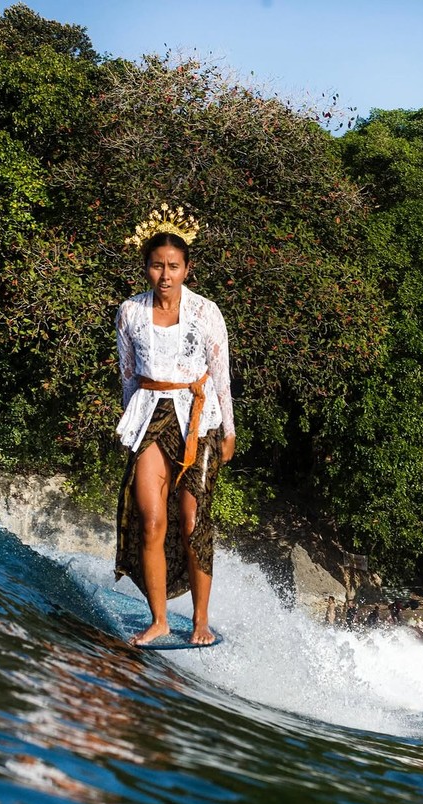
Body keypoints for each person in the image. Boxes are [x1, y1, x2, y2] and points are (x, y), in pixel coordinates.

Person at [114, 204, 235, 646]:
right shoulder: (129, 312)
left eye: (173, 266)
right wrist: (131, 427)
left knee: (193, 519)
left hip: (198, 418)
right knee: (150, 521)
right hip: (150, 415)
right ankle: (160, 619)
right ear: (146, 267)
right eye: (156, 265)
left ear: (187, 268)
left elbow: (221, 373)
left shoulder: (206, 312)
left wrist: (230, 430)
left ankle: (200, 619)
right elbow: (128, 374)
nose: (165, 275)